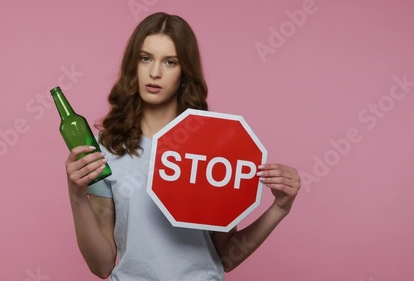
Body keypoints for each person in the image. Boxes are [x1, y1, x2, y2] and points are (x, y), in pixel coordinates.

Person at [65, 12, 301, 280]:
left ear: (184, 72)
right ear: (134, 65)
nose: (155, 72)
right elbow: (102, 265)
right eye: (146, 58)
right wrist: (76, 196)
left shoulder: (214, 145)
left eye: (170, 62)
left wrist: (279, 209)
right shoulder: (108, 148)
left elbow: (227, 256)